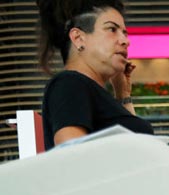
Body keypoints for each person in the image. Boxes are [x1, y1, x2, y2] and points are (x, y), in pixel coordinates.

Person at [37, 0, 153, 150]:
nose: (125, 41)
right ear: (78, 38)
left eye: (124, 33)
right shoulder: (69, 84)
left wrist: (123, 94)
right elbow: (71, 158)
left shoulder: (88, 90)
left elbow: (137, 143)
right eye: (112, 29)